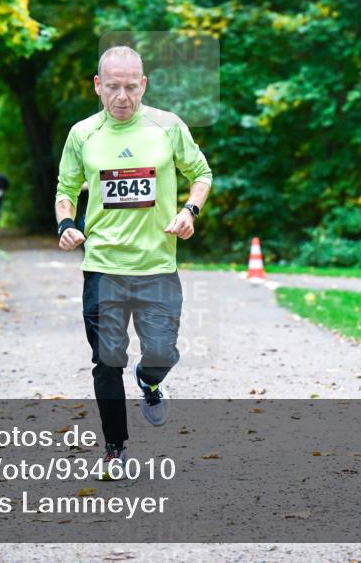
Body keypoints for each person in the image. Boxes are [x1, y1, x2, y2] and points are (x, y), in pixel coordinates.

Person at [54, 46, 212, 468]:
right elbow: (65, 191)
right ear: (97, 86)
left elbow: (201, 174)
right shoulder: (82, 134)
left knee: (161, 351)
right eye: (112, 87)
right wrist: (67, 225)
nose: (122, 97)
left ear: (143, 85)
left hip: (157, 264)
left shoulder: (168, 127)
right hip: (103, 267)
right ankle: (115, 448)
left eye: (130, 87)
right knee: (106, 362)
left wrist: (188, 211)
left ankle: (149, 379)